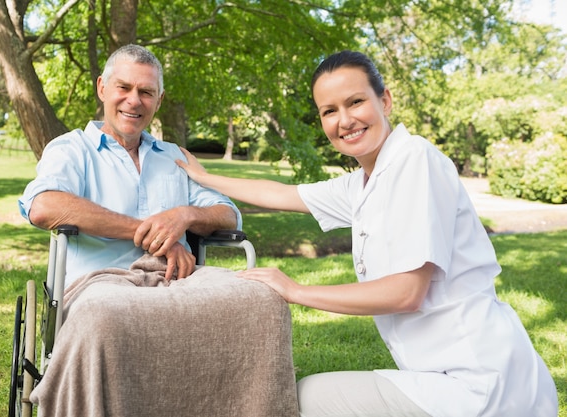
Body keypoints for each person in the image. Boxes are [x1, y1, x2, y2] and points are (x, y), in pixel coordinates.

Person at [176, 50, 558, 416]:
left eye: (355, 102)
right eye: (330, 111)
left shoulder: (414, 160)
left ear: (385, 101)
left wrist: (296, 290)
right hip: (445, 375)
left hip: (480, 385)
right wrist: (205, 177)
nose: (344, 120)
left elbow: (406, 292)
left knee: (306, 399)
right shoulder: (362, 183)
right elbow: (283, 193)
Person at [19, 44, 240, 286]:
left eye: (146, 92)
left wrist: (185, 215)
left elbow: (229, 216)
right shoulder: (71, 149)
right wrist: (155, 235)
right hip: (100, 285)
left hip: (176, 285)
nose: (134, 101)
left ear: (159, 100)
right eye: (123, 87)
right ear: (102, 88)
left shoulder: (175, 156)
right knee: (109, 314)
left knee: (260, 296)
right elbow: (43, 207)